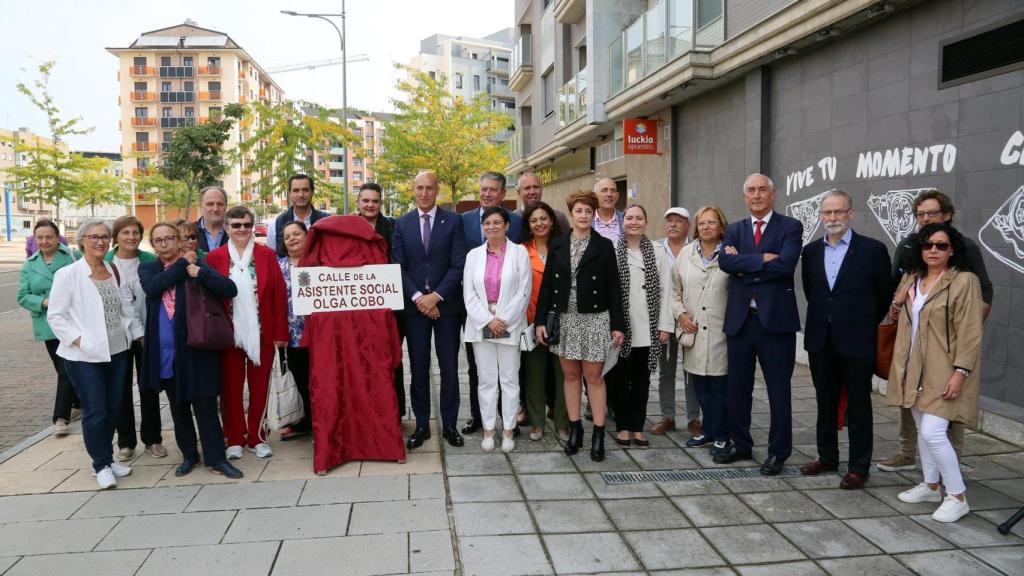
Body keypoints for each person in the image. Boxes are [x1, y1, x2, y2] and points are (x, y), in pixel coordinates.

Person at [878, 189, 993, 472]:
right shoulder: (908, 245)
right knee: (910, 400)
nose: (925, 218)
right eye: (920, 214)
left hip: (945, 343)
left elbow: (984, 291)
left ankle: (951, 459)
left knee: (946, 405)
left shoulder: (964, 247)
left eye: (932, 213)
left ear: (948, 216)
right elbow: (897, 287)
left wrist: (962, 331)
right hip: (913, 338)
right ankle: (907, 453)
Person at [889, 222, 982, 523]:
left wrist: (961, 372)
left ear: (952, 249)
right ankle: (931, 485)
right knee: (922, 428)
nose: (933, 250)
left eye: (941, 245)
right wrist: (898, 298)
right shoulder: (912, 278)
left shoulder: (964, 281)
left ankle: (957, 495)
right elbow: (899, 315)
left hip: (945, 368)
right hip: (912, 366)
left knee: (933, 431)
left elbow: (970, 331)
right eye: (928, 244)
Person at [799, 190, 891, 489]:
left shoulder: (872, 250)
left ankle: (858, 467)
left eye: (839, 212)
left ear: (851, 213)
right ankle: (827, 456)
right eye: (827, 213)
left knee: (859, 406)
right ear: (821, 216)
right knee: (824, 401)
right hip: (820, 340)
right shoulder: (811, 252)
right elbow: (814, 293)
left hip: (857, 341)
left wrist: (860, 324)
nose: (833, 218)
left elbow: (883, 297)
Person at [138, 222, 243, 479]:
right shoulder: (149, 268)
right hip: (166, 353)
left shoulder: (198, 265)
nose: (164, 244)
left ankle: (216, 458)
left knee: (205, 404)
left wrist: (199, 272)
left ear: (179, 241)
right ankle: (189, 456)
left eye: (169, 239)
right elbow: (153, 288)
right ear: (153, 245)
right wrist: (183, 265)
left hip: (197, 348)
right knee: (178, 406)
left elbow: (230, 289)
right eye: (158, 241)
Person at [716, 173, 803, 476]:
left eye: (762, 190)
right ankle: (741, 445)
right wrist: (763, 259)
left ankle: (778, 452)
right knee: (737, 390)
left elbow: (786, 265)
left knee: (779, 392)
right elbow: (725, 263)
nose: (756, 195)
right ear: (744, 196)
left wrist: (745, 264)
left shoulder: (790, 227)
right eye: (750, 190)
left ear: (772, 194)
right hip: (740, 322)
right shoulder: (735, 230)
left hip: (775, 324)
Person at [47, 219, 142, 489]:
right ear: (82, 241)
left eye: (104, 237)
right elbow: (56, 316)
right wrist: (79, 341)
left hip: (117, 351)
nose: (100, 241)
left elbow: (126, 307)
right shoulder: (68, 275)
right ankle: (99, 465)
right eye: (93, 237)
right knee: (95, 410)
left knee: (114, 407)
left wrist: (136, 335)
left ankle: (109, 459)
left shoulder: (113, 270)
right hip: (83, 356)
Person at [535, 190, 625, 462]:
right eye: (579, 211)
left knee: (594, 377)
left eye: (588, 211)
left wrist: (617, 325)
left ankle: (598, 433)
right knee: (570, 375)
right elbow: (548, 285)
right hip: (566, 319)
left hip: (595, 318)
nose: (584, 215)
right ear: (571, 214)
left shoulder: (604, 246)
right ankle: (576, 429)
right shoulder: (559, 245)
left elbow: (614, 288)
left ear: (593, 214)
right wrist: (540, 321)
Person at [393, 170, 467, 449]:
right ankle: (422, 424)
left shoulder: (454, 221)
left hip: (446, 308)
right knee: (419, 367)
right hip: (414, 310)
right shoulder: (403, 223)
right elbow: (398, 266)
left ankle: (449, 424)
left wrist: (434, 297)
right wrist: (418, 298)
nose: (424, 193)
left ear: (438, 191)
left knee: (449, 368)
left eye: (429, 188)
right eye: (419, 188)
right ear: (414, 190)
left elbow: (458, 264)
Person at [207, 206, 289, 460]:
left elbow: (278, 295)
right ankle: (234, 437)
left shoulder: (266, 255)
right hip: (228, 335)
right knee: (230, 389)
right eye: (236, 225)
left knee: (260, 386)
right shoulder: (215, 258)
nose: (241, 229)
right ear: (227, 228)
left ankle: (257, 436)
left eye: (246, 225)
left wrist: (280, 332)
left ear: (252, 227)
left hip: (262, 332)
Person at [463, 207, 531, 452]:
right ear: (482, 227)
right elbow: (468, 294)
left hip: (509, 324)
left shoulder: (519, 253)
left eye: (497, 222)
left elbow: (524, 291)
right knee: (487, 380)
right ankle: (489, 429)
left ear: (507, 225)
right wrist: (487, 320)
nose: (492, 227)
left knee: (510, 380)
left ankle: (509, 430)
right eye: (487, 223)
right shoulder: (473, 255)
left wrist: (503, 320)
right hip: (481, 325)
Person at [611, 205, 673, 448]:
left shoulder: (656, 251)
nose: (634, 222)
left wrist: (665, 325)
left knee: (642, 380)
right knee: (620, 378)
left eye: (639, 218)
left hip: (649, 325)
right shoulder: (613, 250)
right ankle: (623, 427)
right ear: (622, 221)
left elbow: (666, 289)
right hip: (621, 326)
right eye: (629, 218)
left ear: (646, 222)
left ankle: (638, 427)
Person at [672, 206, 731, 456]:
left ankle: (723, 435)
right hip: (693, 332)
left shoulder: (730, 253)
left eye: (712, 222)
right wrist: (681, 315)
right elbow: (674, 292)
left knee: (720, 387)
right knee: (701, 386)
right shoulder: (686, 254)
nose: (706, 227)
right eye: (702, 223)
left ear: (721, 226)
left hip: (721, 332)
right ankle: (708, 429)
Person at [104, 215, 164, 462]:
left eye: (135, 233)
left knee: (149, 386)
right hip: (118, 335)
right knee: (120, 388)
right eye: (125, 233)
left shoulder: (150, 260)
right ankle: (126, 442)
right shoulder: (105, 263)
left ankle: (153, 438)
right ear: (116, 237)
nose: (131, 237)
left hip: (148, 333)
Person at [18, 220, 80, 436]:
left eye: (49, 237)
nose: (44, 241)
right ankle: (80, 403)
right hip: (47, 324)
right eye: (40, 237)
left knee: (65, 368)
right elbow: (22, 296)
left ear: (57, 237)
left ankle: (60, 417)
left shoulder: (73, 257)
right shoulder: (29, 264)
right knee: (62, 368)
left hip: (73, 321)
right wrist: (44, 303)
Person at [520, 202, 569, 441]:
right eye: (534, 220)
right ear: (528, 225)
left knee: (564, 375)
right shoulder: (520, 250)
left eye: (544, 219)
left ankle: (563, 421)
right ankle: (537, 422)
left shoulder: (564, 248)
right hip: (531, 321)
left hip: (563, 320)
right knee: (534, 374)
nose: (539, 223)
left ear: (552, 221)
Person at [357, 182, 405, 418]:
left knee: (391, 358)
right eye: (366, 200)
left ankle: (394, 413)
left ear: (380, 203)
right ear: (358, 202)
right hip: (359, 308)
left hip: (389, 306)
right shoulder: (348, 227)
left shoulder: (393, 227)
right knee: (362, 361)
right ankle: (366, 412)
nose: (370, 205)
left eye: (375, 201)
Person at [653, 206, 702, 438]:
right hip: (663, 317)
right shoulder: (654, 248)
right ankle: (668, 416)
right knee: (666, 370)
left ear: (688, 226)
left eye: (678, 221)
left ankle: (694, 418)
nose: (672, 224)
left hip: (689, 317)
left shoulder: (696, 249)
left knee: (691, 369)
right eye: (669, 220)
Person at [277, 221, 313, 440]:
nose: (292, 238)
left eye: (297, 233)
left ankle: (320, 420)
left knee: (317, 380)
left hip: (317, 332)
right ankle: (304, 421)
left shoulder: (319, 262)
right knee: (298, 378)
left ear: (307, 235)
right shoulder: (277, 264)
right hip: (290, 335)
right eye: (287, 236)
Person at [267, 174, 331, 256]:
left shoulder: (327, 221)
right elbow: (272, 259)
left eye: (305, 190)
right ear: (289, 194)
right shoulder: (275, 225)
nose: (301, 195)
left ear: (312, 192)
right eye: (296, 190)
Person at [195, 186, 229, 252]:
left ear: (226, 206)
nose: (215, 209)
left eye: (220, 204)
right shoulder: (189, 232)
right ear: (201, 207)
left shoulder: (236, 233)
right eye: (210, 204)